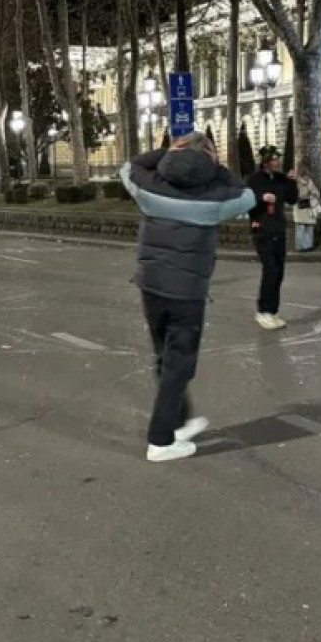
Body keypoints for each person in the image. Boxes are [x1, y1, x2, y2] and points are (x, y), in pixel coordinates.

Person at [120, 133, 255, 462]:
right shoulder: (214, 202)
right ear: (210, 160)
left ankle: (178, 422)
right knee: (179, 366)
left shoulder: (148, 189)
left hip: (150, 285)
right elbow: (248, 195)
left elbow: (130, 166)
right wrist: (217, 166)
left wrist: (168, 153)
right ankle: (161, 440)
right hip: (187, 292)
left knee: (165, 358)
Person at [248, 146, 298, 330]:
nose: (277, 163)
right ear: (265, 162)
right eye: (274, 160)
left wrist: (292, 181)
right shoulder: (255, 179)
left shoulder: (280, 179)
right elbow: (248, 201)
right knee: (270, 270)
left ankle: (273, 310)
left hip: (278, 229)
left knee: (279, 272)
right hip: (262, 230)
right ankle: (263, 311)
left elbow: (292, 199)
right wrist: (262, 198)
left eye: (278, 159)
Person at [292, 164, 319, 252]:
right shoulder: (297, 183)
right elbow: (295, 195)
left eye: (308, 175)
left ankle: (308, 246)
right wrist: (305, 195)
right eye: (305, 175)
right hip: (300, 208)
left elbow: (316, 192)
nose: (307, 177)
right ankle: (301, 246)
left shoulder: (310, 183)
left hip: (309, 208)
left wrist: (313, 194)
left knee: (309, 228)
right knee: (301, 228)